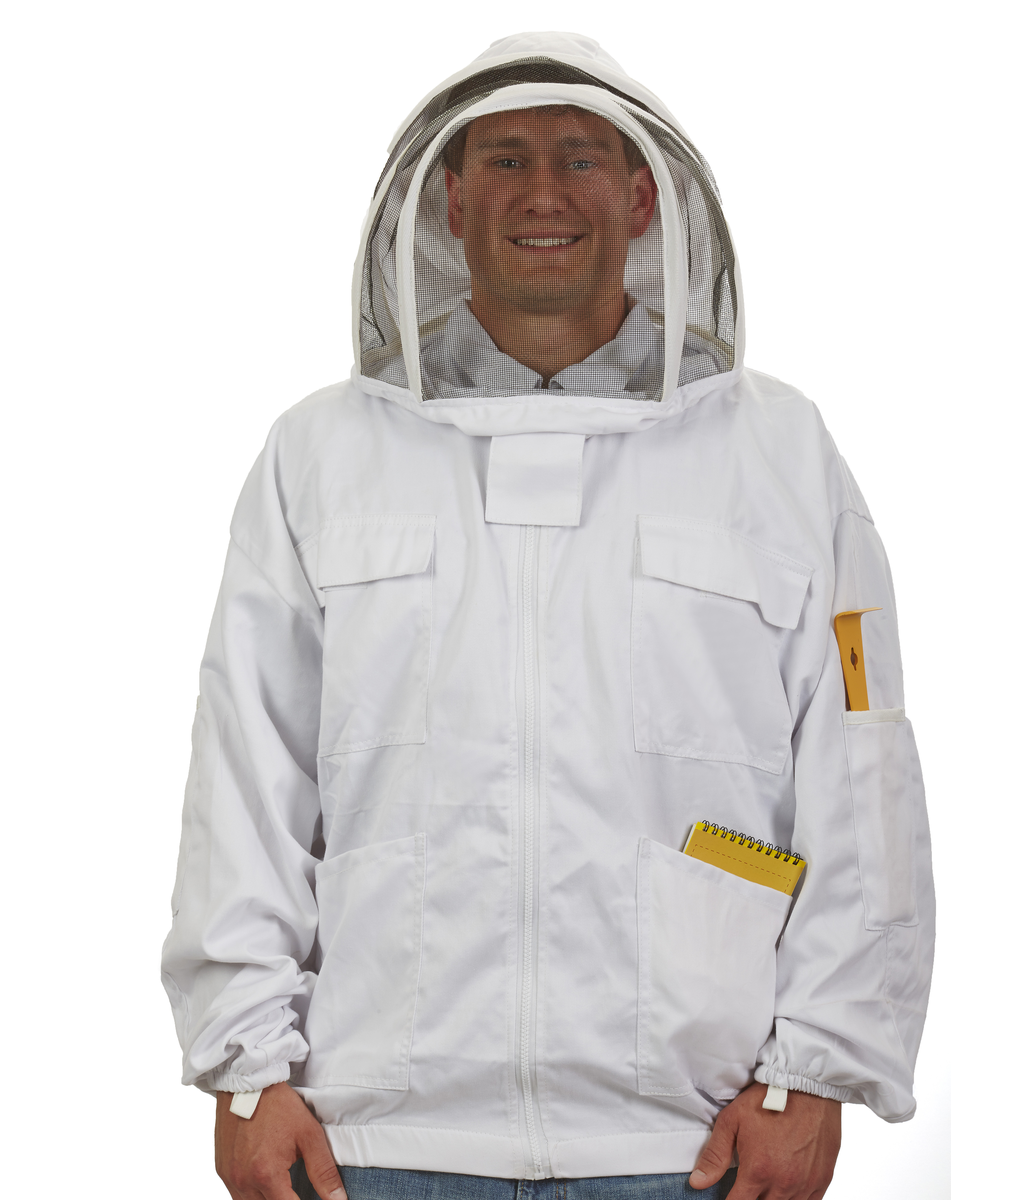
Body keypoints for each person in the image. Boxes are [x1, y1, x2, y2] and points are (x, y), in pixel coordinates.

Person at [162, 31, 934, 1200]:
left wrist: (818, 1071)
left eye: (580, 159)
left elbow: (860, 761)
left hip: (693, 1148)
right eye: (507, 160)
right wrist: (244, 1072)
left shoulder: (777, 453)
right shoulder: (322, 453)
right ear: (449, 201)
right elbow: (244, 768)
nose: (543, 193)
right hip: (375, 1145)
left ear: (642, 198)